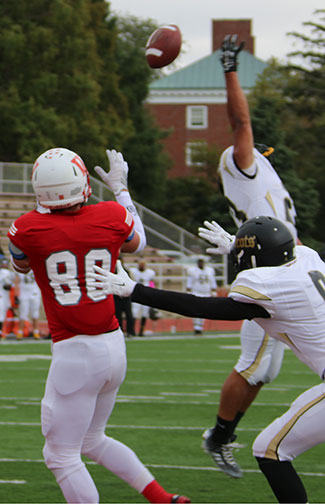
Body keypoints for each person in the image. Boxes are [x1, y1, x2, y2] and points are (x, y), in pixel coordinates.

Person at [90, 215, 324, 504]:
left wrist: (134, 291)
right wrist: (235, 247)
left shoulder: (268, 286)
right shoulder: (307, 258)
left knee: (270, 449)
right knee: (270, 446)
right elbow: (279, 260)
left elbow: (203, 306)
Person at [7, 147, 190, 504]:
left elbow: (22, 266)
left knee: (60, 455)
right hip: (112, 346)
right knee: (92, 439)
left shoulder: (27, 228)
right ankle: (161, 497)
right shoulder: (110, 214)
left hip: (74, 353)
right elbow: (138, 241)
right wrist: (121, 189)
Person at [192, 33, 299, 477]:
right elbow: (240, 124)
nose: (262, 154)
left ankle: (222, 433)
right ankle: (218, 435)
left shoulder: (261, 177)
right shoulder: (241, 164)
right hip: (266, 279)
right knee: (253, 367)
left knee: (265, 370)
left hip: (286, 269)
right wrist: (230, 69)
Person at [186, 256, 217, 335]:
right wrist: (189, 292)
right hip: (196, 292)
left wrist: (213, 290)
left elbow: (212, 281)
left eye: (202, 262)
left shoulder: (210, 270)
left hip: (206, 292)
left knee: (203, 310)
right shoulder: (192, 271)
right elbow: (189, 282)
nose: (201, 263)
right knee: (196, 309)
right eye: (199, 262)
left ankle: (200, 326)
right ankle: (196, 327)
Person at [129, 260, 156, 336]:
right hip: (136, 294)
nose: (142, 266)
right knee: (134, 312)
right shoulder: (133, 271)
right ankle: (132, 330)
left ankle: (141, 331)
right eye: (141, 264)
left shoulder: (150, 273)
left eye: (143, 264)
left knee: (145, 313)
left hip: (146, 294)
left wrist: (152, 290)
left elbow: (151, 282)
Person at [16, 270, 42, 340]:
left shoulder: (35, 268)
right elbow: (17, 281)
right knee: (23, 314)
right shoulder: (20, 269)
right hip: (24, 293)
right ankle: (20, 332)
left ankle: (36, 332)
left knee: (35, 313)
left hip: (34, 292)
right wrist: (16, 294)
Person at [113, 257, 135, 338]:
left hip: (126, 296)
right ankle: (120, 331)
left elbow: (131, 283)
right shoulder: (113, 272)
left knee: (129, 315)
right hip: (116, 296)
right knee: (118, 315)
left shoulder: (127, 272)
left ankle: (131, 331)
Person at [0, 257, 15, 339]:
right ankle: (1, 332)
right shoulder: (5, 272)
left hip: (5, 296)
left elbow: (9, 286)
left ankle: (3, 331)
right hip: (2, 295)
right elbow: (7, 285)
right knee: (1, 314)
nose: (4, 265)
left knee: (4, 313)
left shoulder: (8, 273)